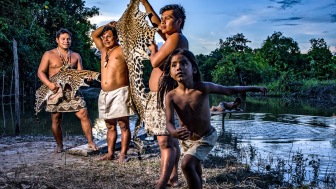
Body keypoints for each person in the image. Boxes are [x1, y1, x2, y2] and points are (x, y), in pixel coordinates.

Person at [158, 49, 268, 189]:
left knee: (186, 165)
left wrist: (254, 88)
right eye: (174, 65)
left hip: (206, 137)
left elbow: (229, 90)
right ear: (170, 72)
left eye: (184, 63)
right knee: (194, 167)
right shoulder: (171, 96)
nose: (179, 67)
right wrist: (173, 132)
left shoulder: (203, 88)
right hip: (186, 140)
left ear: (194, 70)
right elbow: (169, 123)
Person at [141, 1, 188, 188]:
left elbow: (154, 62)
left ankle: (162, 182)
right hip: (160, 95)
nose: (163, 22)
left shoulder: (176, 38)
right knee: (170, 140)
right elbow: (155, 23)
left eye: (168, 19)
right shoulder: (171, 38)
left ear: (179, 21)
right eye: (162, 19)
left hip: (165, 95)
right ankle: (173, 178)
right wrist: (145, 3)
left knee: (165, 142)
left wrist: (153, 50)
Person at [37, 28, 99, 153]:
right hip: (54, 91)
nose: (66, 41)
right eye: (63, 39)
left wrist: (88, 79)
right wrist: (49, 84)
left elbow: (81, 74)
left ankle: (91, 142)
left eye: (68, 39)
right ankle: (59, 146)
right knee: (56, 119)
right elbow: (40, 72)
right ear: (57, 40)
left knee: (84, 114)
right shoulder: (49, 54)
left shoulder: (76, 56)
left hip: (72, 91)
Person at [91, 21, 135, 162]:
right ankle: (110, 154)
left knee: (123, 125)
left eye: (109, 36)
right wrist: (106, 27)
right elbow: (93, 34)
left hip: (120, 92)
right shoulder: (103, 50)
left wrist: (120, 26)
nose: (106, 39)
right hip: (104, 94)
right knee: (110, 126)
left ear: (117, 37)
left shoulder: (123, 49)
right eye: (104, 36)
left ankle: (123, 155)